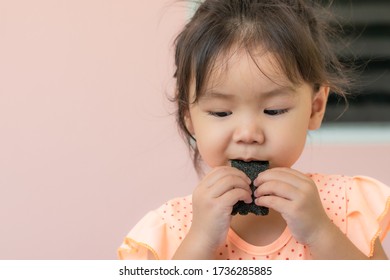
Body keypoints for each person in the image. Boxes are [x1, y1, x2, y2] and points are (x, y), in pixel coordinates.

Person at [118, 0, 390, 260]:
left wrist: (320, 232)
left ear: (315, 108)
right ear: (189, 116)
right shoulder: (172, 228)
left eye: (273, 110)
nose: (248, 134)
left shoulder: (343, 206)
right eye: (221, 112)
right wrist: (200, 240)